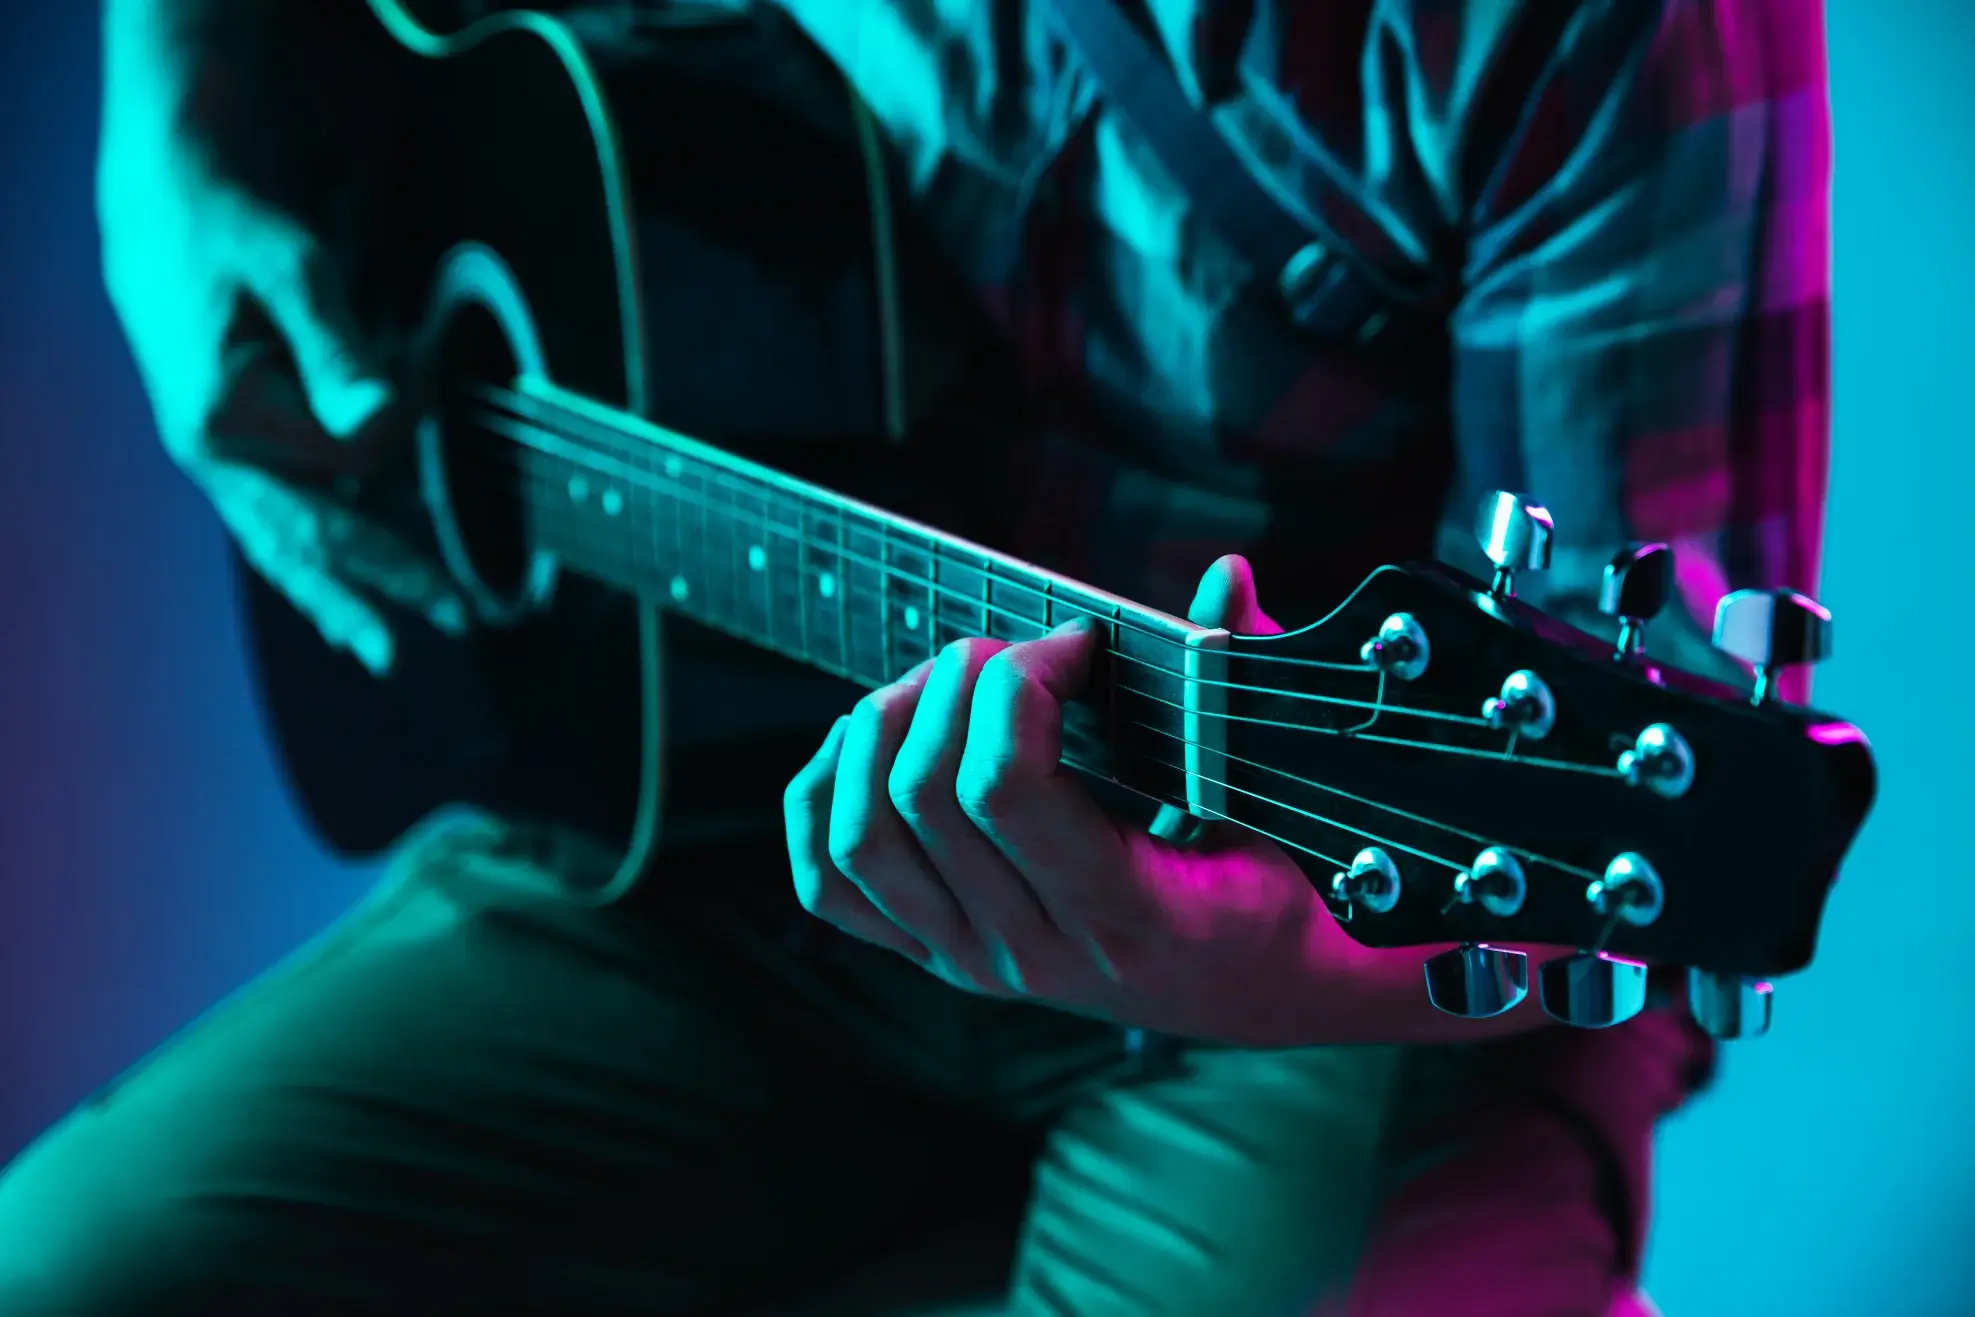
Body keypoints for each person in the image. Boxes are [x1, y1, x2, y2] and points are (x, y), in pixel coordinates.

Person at [0, 0, 1829, 1312]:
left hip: (1334, 947)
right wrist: (174, 108)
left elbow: (1620, 894)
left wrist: (1201, 947)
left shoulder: (1634, 33)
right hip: (704, 810)